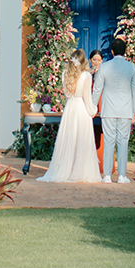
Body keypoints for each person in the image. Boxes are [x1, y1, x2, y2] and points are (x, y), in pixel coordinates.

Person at [39, 50, 101, 182]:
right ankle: (80, 171)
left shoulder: (64, 74)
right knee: (81, 140)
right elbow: (86, 97)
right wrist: (93, 110)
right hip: (81, 109)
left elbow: (67, 94)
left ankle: (66, 168)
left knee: (69, 140)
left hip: (70, 108)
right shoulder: (86, 76)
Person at [92, 37, 135, 184]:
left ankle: (107, 175)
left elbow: (97, 89)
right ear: (125, 51)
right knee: (123, 141)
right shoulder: (132, 68)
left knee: (108, 141)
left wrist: (93, 106)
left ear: (112, 51)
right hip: (125, 109)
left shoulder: (104, 67)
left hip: (108, 109)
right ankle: (121, 175)